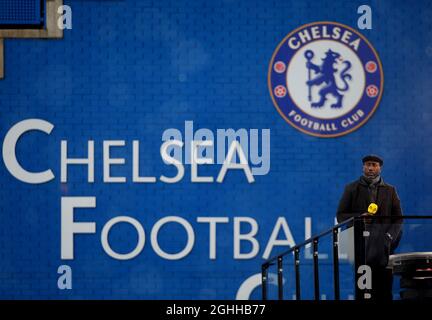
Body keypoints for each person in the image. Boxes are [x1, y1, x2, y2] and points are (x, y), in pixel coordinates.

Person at [336, 154, 403, 300]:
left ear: (380, 168)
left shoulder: (390, 190)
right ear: (363, 167)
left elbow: (398, 218)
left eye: (374, 165)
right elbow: (341, 215)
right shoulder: (351, 188)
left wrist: (389, 237)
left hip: (384, 249)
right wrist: (360, 217)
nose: (370, 168)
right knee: (364, 292)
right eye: (367, 164)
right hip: (361, 249)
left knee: (385, 291)